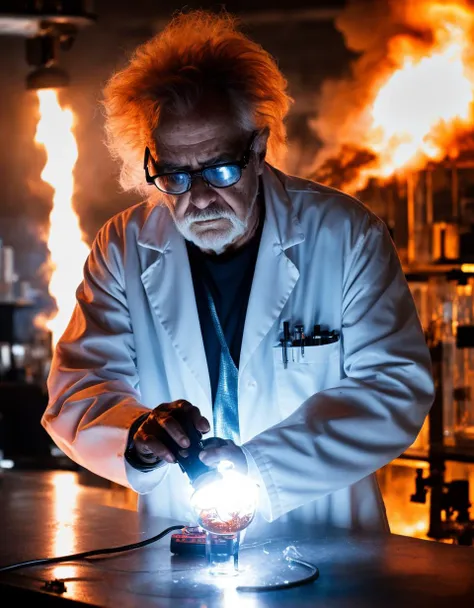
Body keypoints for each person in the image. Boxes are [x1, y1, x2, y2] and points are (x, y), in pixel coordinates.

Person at [42, 9, 435, 537]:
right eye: (175, 175)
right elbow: (78, 390)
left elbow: (394, 387)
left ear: (258, 147)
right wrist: (136, 435)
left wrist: (260, 466)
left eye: (220, 170)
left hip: (324, 536)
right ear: (150, 161)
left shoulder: (345, 234)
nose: (199, 198)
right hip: (183, 536)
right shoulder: (123, 247)